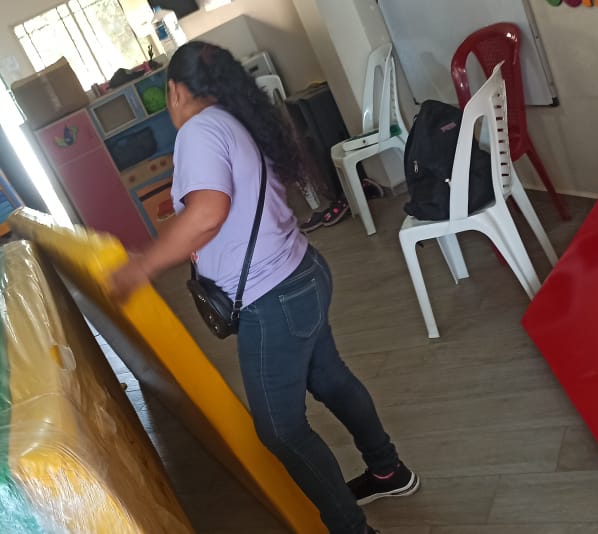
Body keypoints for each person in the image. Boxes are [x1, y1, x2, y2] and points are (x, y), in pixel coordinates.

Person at [107, 41, 418, 534]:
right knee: (332, 380)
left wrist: (141, 266)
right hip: (301, 274)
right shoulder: (240, 120)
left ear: (176, 91)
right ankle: (388, 470)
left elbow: (208, 213)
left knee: (280, 431)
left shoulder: (199, 131)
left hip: (272, 298)